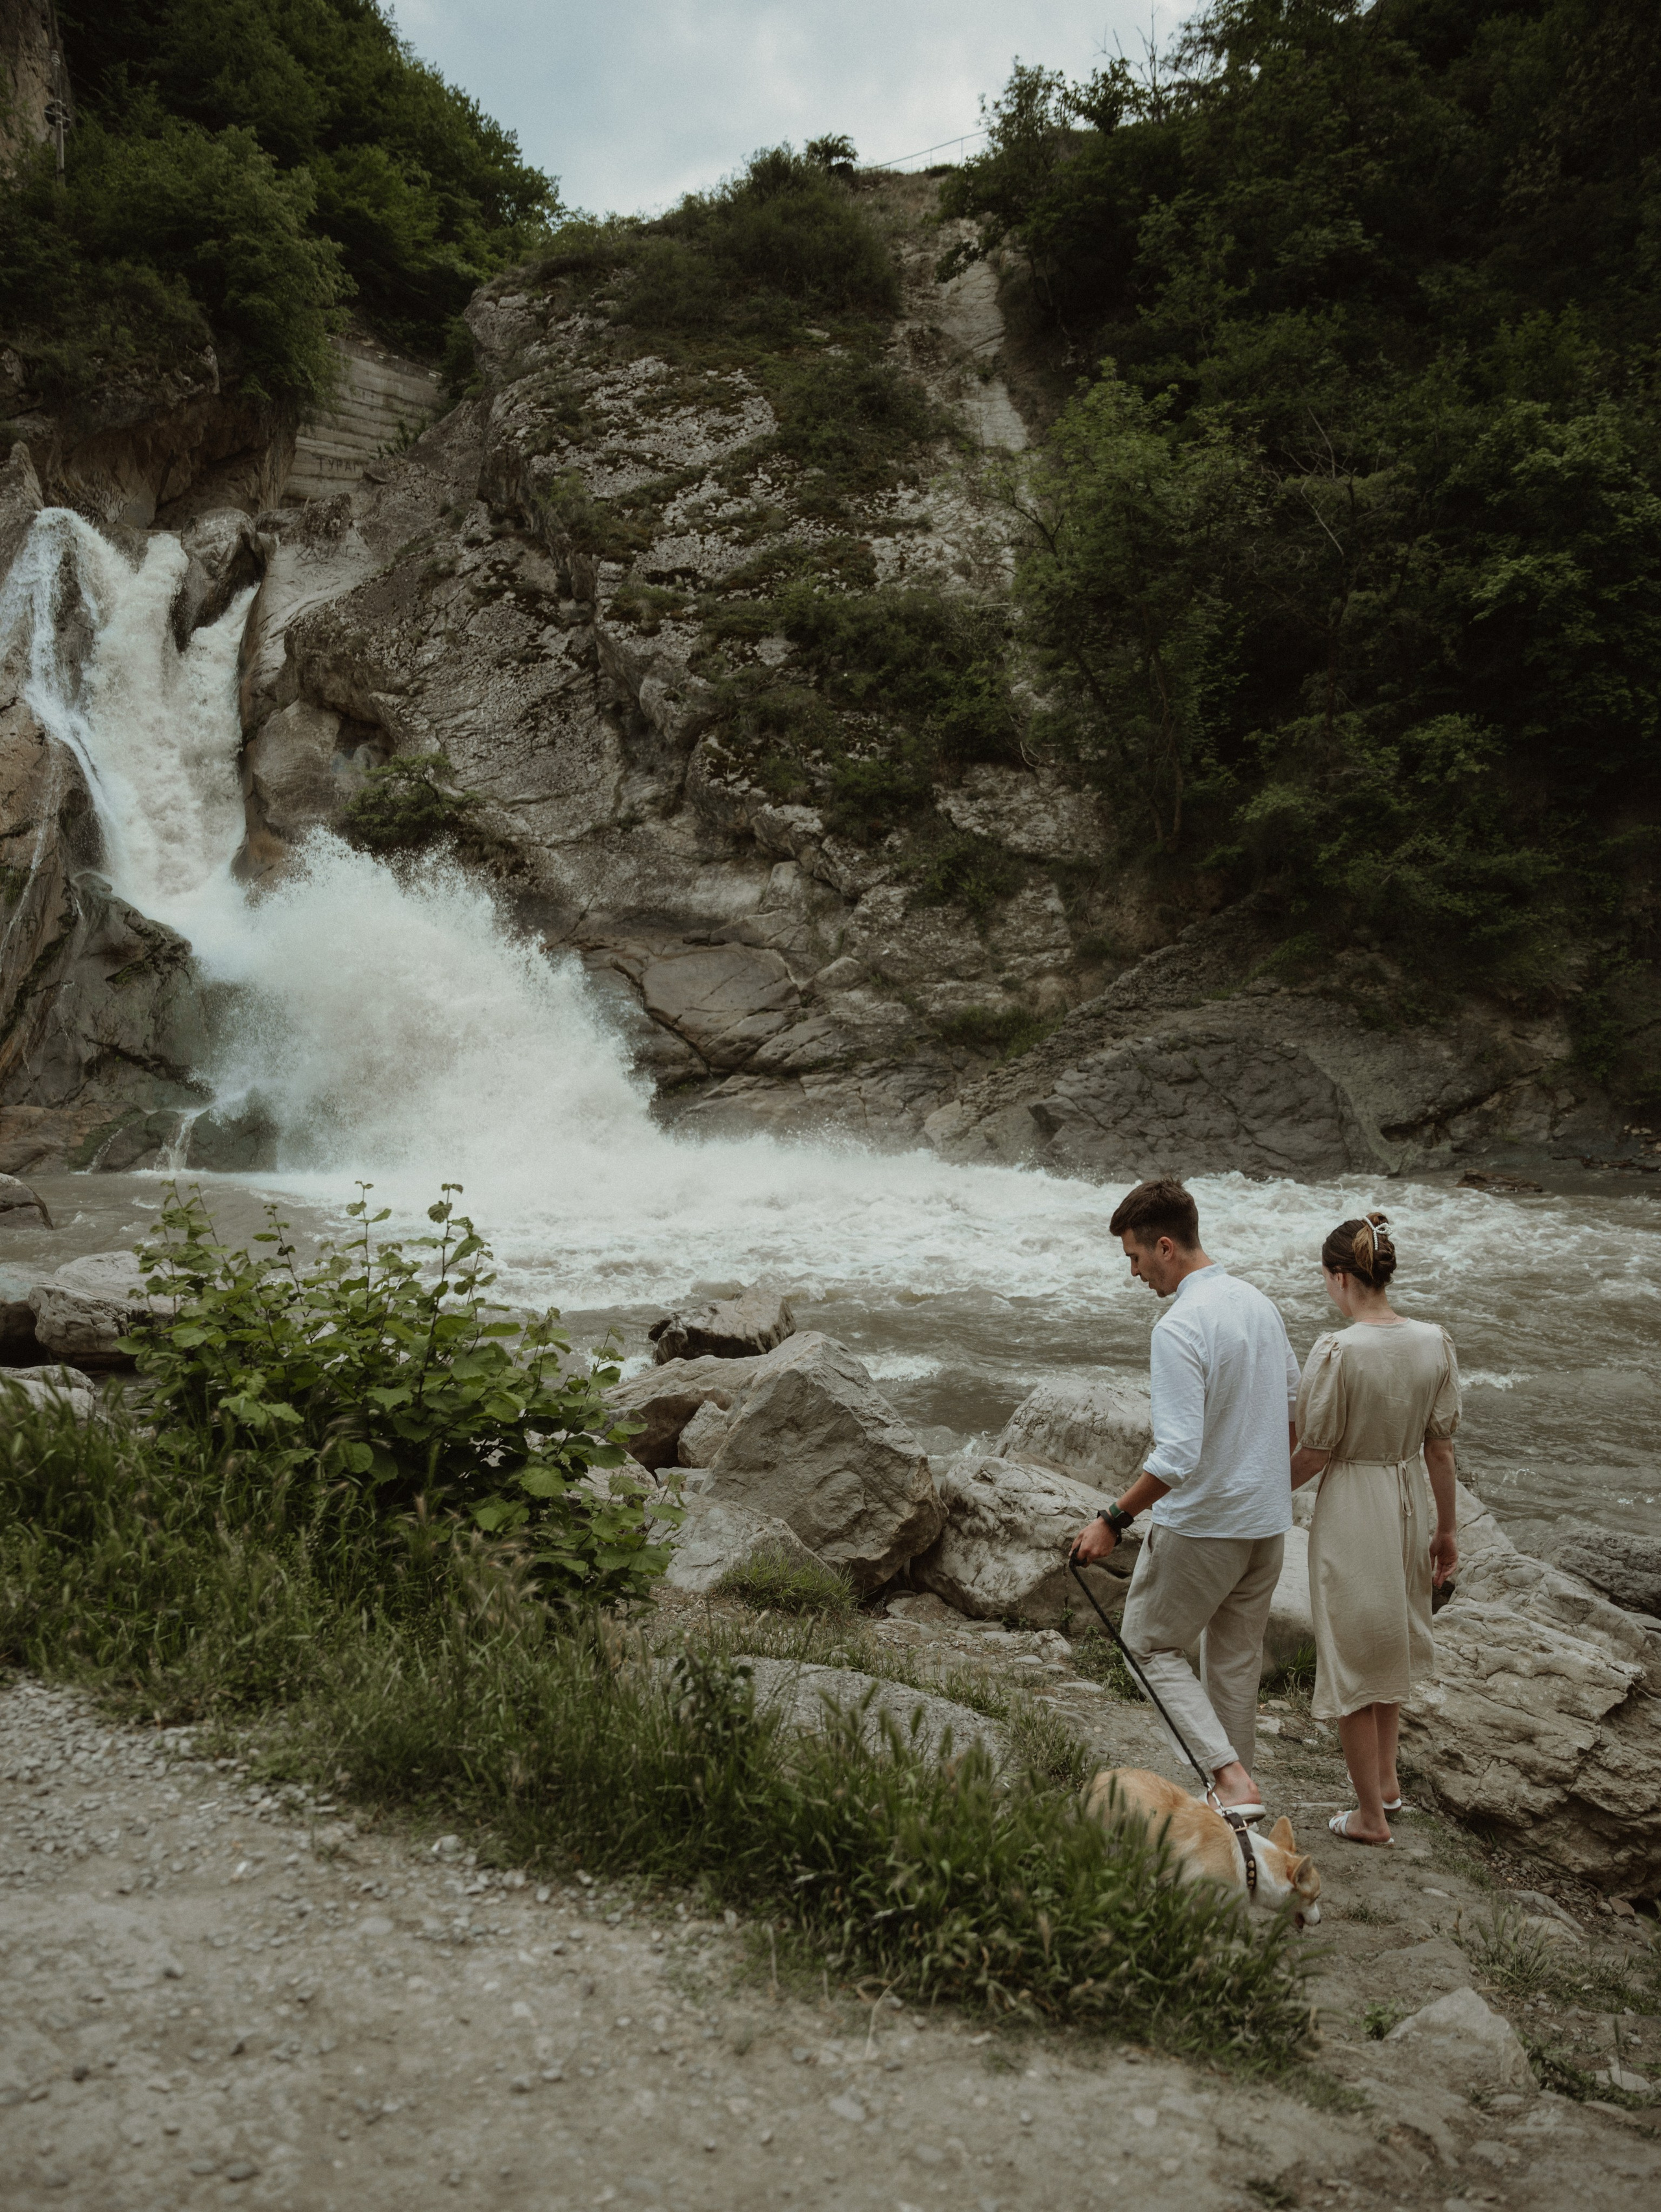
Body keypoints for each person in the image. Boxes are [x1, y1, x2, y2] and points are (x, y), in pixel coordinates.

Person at [1072, 1177, 1299, 1819]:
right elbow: (1293, 1414)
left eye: (1135, 1258)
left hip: (1204, 1524)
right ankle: (1239, 1809)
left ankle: (1227, 1778)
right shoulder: (1259, 1303)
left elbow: (1176, 1455)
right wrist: (1264, 1481)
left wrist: (1112, 1518)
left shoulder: (1178, 1327)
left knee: (1148, 1642)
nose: (1135, 1272)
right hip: (1265, 1525)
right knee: (1232, 1667)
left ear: (1165, 1246)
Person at [1291, 1211, 1461, 1847]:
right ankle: (1386, 1782)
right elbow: (1440, 1450)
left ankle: (1369, 1815)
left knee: (1352, 1654)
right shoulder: (1434, 1341)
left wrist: (1253, 1492)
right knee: (1388, 1642)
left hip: (1354, 1503)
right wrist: (1447, 1531)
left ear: (1341, 1277)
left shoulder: (1338, 1350)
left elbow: (1313, 1452)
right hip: (1407, 1494)